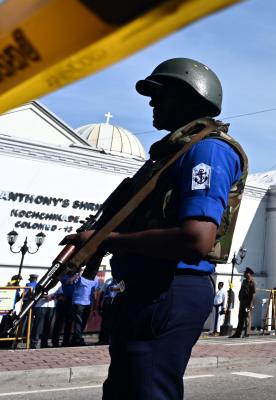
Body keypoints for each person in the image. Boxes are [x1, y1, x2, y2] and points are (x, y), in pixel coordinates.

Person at [61, 58, 247, 399]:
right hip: (148, 288)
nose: (152, 102)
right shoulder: (171, 155)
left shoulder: (207, 151)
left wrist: (106, 240)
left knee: (147, 390)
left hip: (170, 287)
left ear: (190, 98)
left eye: (161, 94)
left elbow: (197, 238)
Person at [230, 268, 256, 338]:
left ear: (249, 274)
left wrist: (251, 304)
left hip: (248, 303)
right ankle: (237, 333)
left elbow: (253, 294)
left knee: (247, 317)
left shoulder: (252, 282)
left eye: (246, 273)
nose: (244, 274)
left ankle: (247, 333)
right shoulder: (244, 281)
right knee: (240, 317)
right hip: (242, 302)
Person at [97, 277, 123, 345]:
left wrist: (114, 289)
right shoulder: (108, 281)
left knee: (114, 322)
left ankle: (111, 339)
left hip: (117, 303)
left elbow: (123, 290)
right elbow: (102, 292)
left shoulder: (122, 281)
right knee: (104, 322)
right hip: (107, 302)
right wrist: (99, 305)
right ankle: (102, 339)